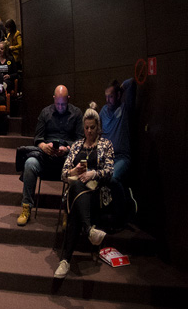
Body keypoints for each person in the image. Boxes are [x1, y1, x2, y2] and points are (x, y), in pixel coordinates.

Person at [55, 108, 116, 278]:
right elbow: (63, 174)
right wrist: (74, 171)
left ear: (98, 127)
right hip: (77, 192)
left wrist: (93, 174)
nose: (89, 131)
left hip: (97, 193)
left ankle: (65, 260)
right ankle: (89, 231)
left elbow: (110, 171)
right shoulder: (76, 146)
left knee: (75, 203)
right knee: (76, 187)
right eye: (87, 128)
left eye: (92, 127)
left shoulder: (106, 145)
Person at [18, 85, 83, 226]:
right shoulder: (45, 112)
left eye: (63, 104)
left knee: (77, 166)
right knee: (30, 163)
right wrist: (44, 146)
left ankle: (68, 211)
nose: (60, 107)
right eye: (57, 103)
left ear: (68, 99)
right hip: (47, 156)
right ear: (54, 99)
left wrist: (67, 149)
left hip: (67, 158)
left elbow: (80, 141)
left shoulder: (77, 114)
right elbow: (38, 139)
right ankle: (26, 207)